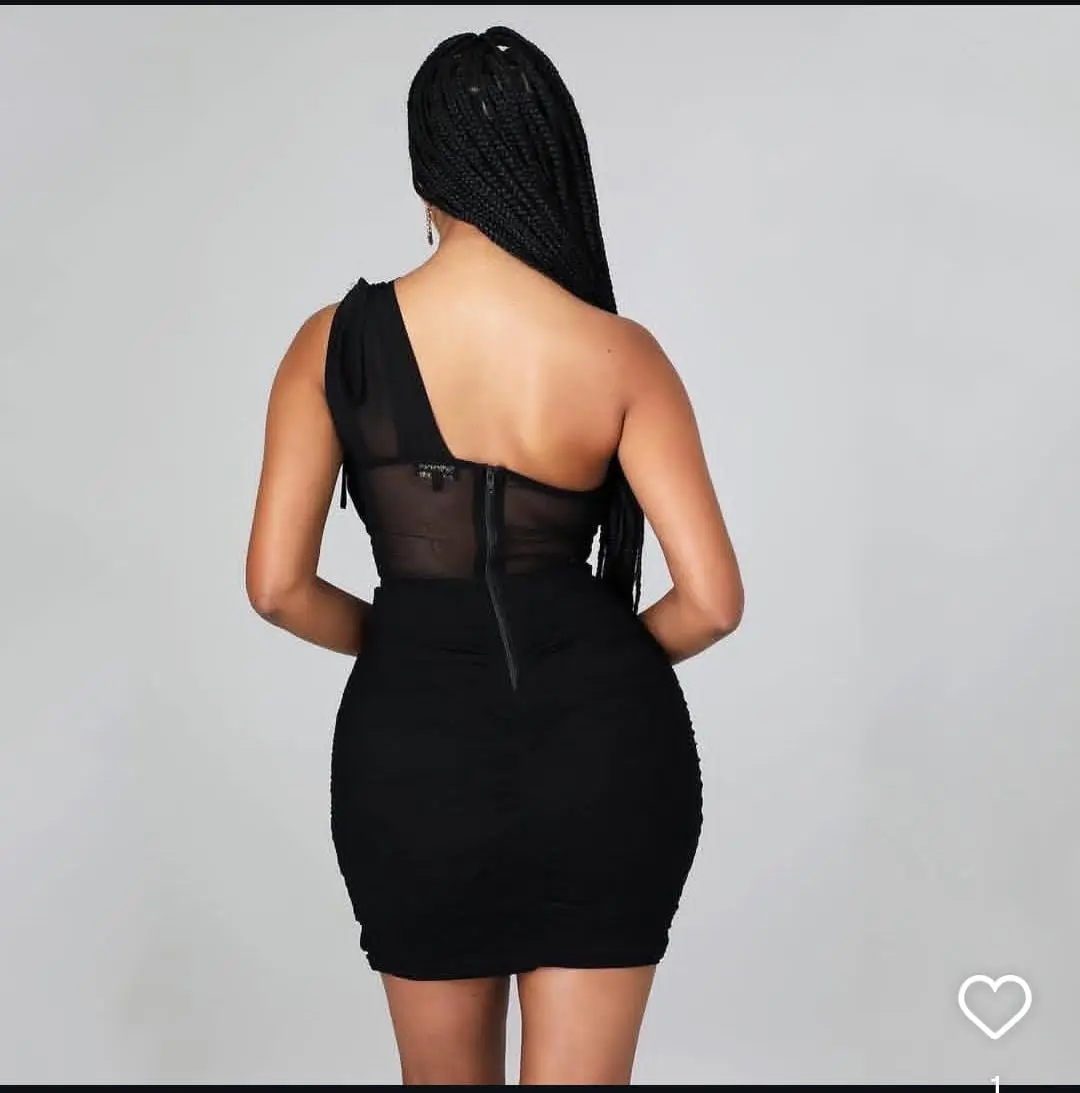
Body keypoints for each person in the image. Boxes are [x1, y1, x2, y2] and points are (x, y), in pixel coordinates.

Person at [246, 25, 744, 1086]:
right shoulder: (620, 353)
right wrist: (590, 668)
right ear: (546, 161)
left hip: (414, 761)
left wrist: (412, 646)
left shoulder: (332, 343)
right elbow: (711, 601)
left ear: (426, 175)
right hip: (609, 763)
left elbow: (277, 588)